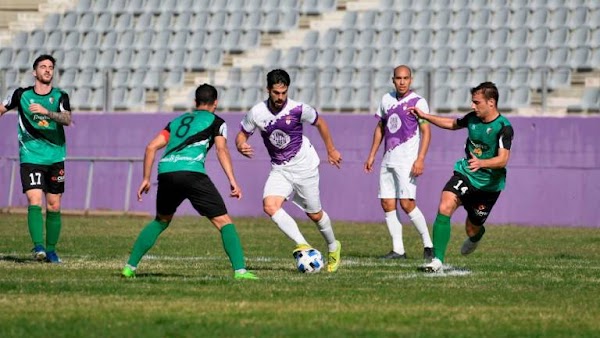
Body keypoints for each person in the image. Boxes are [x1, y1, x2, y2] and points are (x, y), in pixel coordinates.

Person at [121, 84, 257, 280]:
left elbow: (151, 147)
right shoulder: (217, 122)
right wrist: (232, 180)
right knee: (224, 222)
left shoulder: (177, 121)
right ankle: (241, 271)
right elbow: (221, 150)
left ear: (195, 102)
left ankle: (129, 267)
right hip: (191, 173)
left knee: (161, 220)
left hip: (166, 172)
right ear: (215, 103)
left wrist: (145, 178)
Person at [235, 69, 343, 272]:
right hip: (280, 168)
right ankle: (303, 245)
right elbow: (241, 135)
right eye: (276, 93)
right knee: (269, 205)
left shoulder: (298, 109)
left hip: (304, 166)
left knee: (315, 215)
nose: (280, 97)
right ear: (268, 90)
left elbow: (320, 122)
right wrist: (241, 146)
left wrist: (331, 149)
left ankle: (333, 246)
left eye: (284, 93)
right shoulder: (257, 112)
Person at [409, 82, 514, 273]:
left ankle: (476, 236)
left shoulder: (504, 127)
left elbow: (503, 159)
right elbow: (452, 124)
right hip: (466, 174)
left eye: (476, 102)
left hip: (488, 185)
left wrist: (482, 163)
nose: (473, 106)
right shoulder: (472, 118)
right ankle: (437, 260)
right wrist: (425, 117)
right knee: (445, 204)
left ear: (491, 102)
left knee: (471, 228)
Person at [0, 54, 72, 263]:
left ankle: (51, 250)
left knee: (54, 205)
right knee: (34, 200)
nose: (48, 70)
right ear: (35, 72)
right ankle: (38, 246)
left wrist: (46, 112)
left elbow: (67, 119)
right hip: (30, 156)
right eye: (43, 66)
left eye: (50, 67)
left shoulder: (60, 96)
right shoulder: (21, 95)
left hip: (55, 156)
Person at [364, 65, 433, 260]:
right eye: (398, 78)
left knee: (407, 204)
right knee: (387, 203)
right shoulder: (386, 99)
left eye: (405, 78)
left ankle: (429, 245)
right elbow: (380, 128)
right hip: (388, 160)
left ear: (410, 80)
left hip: (407, 161)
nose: (402, 82)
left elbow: (426, 132)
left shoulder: (418, 102)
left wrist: (420, 159)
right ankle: (398, 250)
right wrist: (372, 155)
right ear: (393, 80)